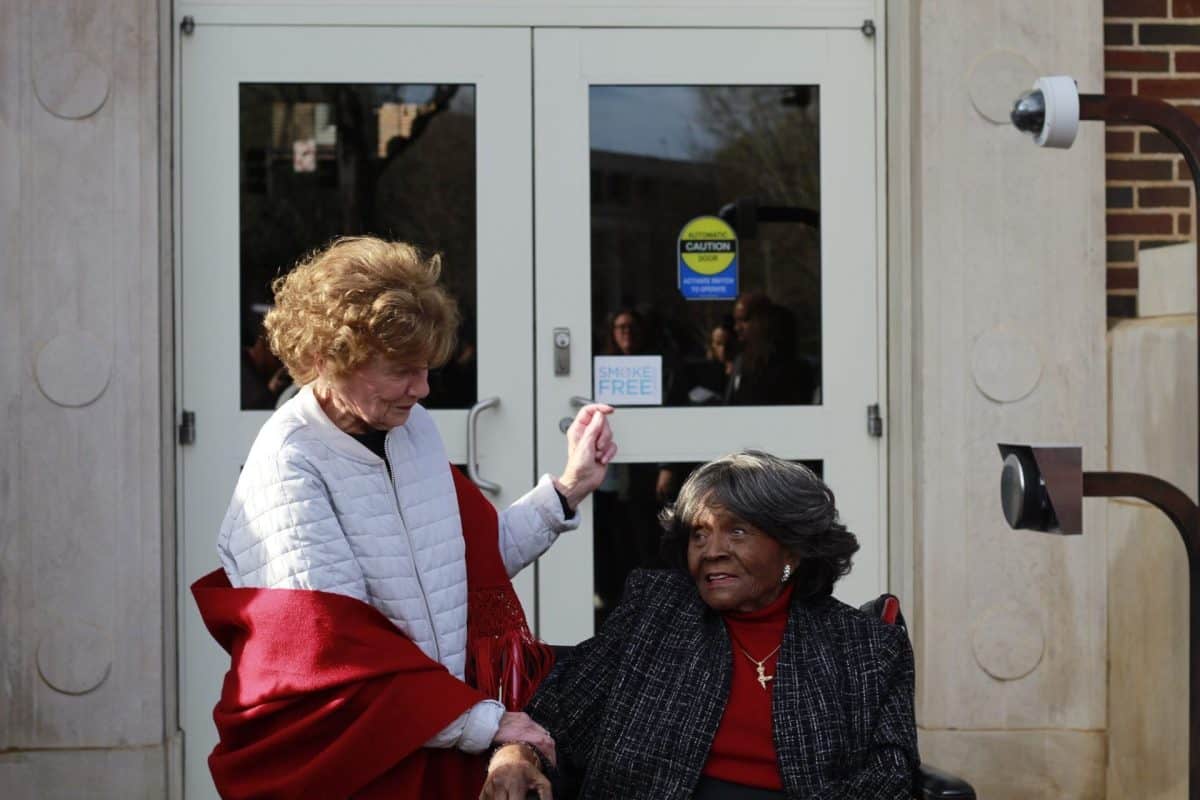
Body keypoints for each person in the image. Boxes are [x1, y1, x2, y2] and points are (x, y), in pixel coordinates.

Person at [192, 236, 617, 799]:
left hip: (422, 736)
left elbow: (470, 567)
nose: (422, 389)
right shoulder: (288, 463)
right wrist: (487, 724)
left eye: (424, 369)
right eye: (401, 372)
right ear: (328, 358)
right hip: (348, 760)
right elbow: (338, 656)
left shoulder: (407, 429)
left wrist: (569, 488)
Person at [482, 451, 918, 800]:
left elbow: (892, 778)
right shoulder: (656, 612)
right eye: (699, 534)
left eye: (738, 532)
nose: (712, 550)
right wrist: (516, 754)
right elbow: (557, 712)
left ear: (792, 549)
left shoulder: (865, 645)